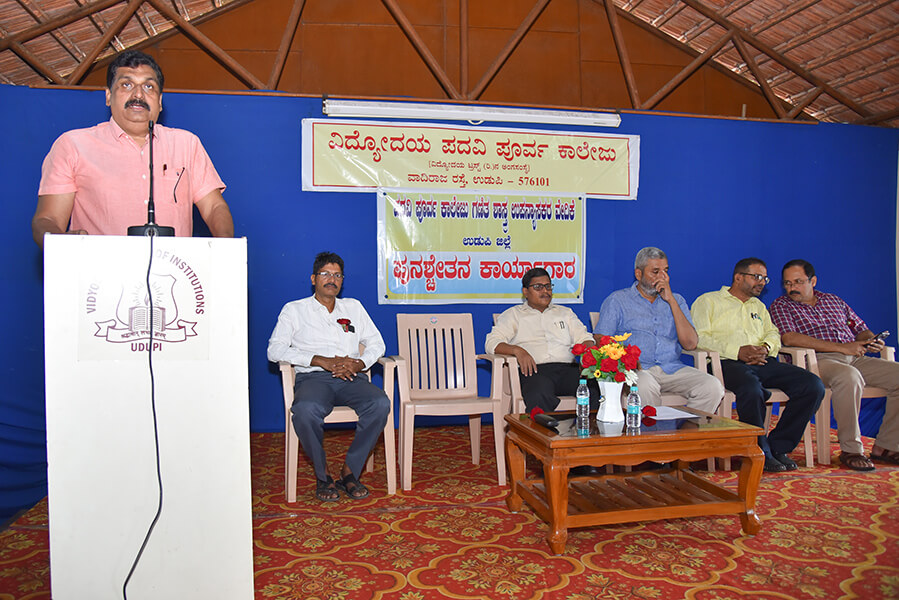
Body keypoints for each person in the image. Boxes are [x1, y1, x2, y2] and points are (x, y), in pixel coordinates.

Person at [32, 50, 233, 248]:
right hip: (99, 275)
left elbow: (214, 206)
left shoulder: (187, 144)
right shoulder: (73, 145)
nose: (138, 94)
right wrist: (60, 242)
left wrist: (225, 250)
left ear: (160, 102)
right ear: (108, 96)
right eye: (126, 85)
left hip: (175, 276)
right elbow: (48, 219)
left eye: (149, 86)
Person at [267, 251, 390, 502]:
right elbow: (274, 350)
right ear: (314, 278)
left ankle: (350, 471)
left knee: (380, 403)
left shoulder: (353, 307)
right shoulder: (294, 310)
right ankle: (323, 475)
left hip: (350, 378)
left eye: (337, 275)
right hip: (314, 378)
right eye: (325, 274)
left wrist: (360, 363)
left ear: (342, 280)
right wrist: (319, 360)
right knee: (304, 410)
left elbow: (377, 344)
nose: (331, 279)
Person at [691, 257, 825, 473]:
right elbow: (698, 338)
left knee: (812, 385)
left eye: (765, 278)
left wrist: (764, 347)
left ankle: (778, 446)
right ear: (738, 277)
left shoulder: (759, 306)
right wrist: (738, 351)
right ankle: (758, 450)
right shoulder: (708, 301)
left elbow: (773, 333)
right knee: (752, 389)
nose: (762, 282)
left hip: (763, 360)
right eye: (757, 277)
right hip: (725, 363)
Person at [770, 259, 899, 471]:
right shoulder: (782, 305)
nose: (791, 288)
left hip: (855, 357)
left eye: (798, 282)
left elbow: (860, 328)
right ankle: (851, 449)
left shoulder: (833, 301)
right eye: (787, 283)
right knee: (848, 377)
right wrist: (843, 348)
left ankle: (887, 446)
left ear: (813, 281)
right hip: (817, 361)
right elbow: (790, 338)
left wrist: (871, 339)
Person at [595, 247, 723, 413]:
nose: (663, 277)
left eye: (665, 271)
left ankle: (685, 432)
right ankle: (654, 435)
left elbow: (690, 343)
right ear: (638, 274)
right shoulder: (617, 300)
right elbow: (601, 339)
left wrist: (671, 301)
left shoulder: (677, 300)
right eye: (655, 272)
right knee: (645, 386)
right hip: (639, 371)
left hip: (673, 368)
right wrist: (625, 359)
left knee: (712, 387)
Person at [485, 267, 599, 414]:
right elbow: (492, 342)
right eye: (538, 287)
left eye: (548, 286)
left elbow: (585, 338)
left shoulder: (565, 313)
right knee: (539, 391)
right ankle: (543, 435)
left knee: (594, 386)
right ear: (525, 291)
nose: (545, 291)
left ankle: (592, 433)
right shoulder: (514, 315)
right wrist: (517, 350)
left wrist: (587, 352)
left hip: (567, 370)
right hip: (535, 371)